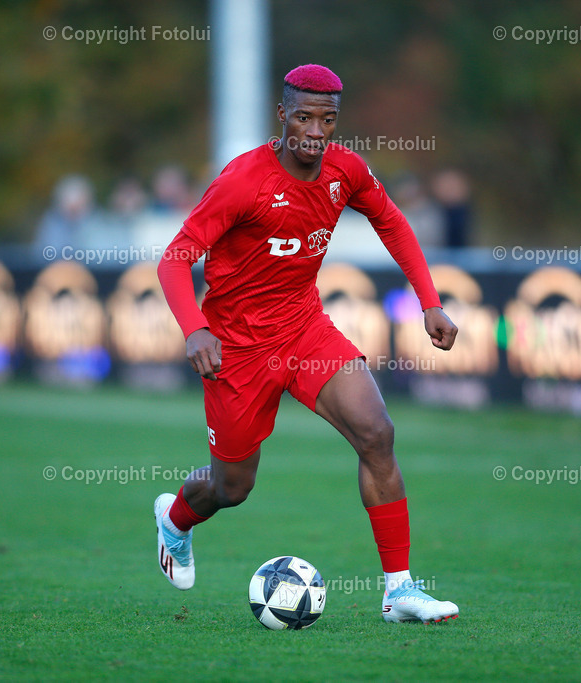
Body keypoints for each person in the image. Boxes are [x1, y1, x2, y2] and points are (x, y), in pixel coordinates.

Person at [154, 64, 460, 624]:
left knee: (377, 432)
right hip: (237, 348)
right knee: (231, 486)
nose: (316, 131)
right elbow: (175, 259)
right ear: (283, 117)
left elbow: (392, 223)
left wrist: (430, 300)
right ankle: (175, 521)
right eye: (304, 118)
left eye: (327, 120)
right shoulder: (243, 180)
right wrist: (194, 328)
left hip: (303, 329)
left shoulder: (346, 170)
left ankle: (399, 591)